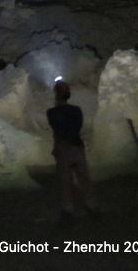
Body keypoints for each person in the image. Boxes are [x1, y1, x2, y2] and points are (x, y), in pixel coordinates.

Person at [47, 79, 96, 225]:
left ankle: (68, 209)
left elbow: (56, 128)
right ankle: (91, 204)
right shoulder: (77, 110)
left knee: (66, 181)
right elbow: (78, 126)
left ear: (56, 95)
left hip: (63, 148)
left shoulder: (51, 112)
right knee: (84, 178)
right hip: (77, 146)